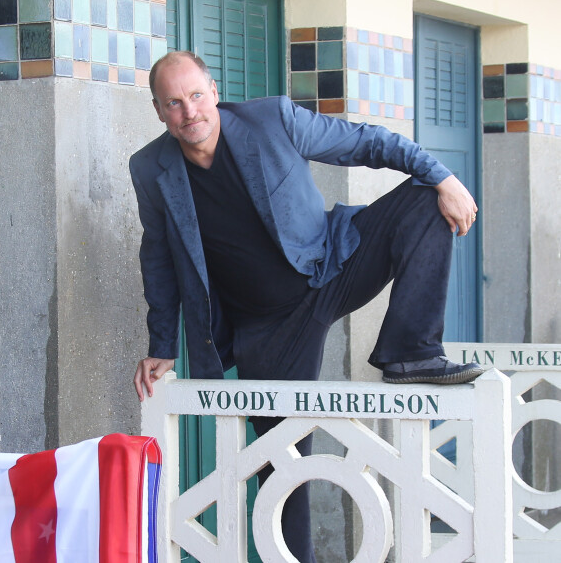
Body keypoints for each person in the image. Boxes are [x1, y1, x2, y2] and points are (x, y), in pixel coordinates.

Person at [130, 50, 482, 562]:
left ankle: (410, 351)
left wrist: (443, 176)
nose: (191, 112)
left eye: (197, 95)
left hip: (332, 268)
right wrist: (161, 345)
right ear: (160, 111)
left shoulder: (273, 119)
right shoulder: (151, 169)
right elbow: (158, 257)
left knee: (427, 198)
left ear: (213, 88)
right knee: (285, 464)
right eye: (175, 103)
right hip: (267, 328)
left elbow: (367, 142)